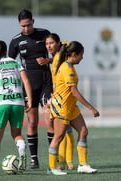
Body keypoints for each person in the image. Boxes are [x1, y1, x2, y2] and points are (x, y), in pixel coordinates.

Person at [0, 40, 32, 176]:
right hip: (18, 103)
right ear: (6, 51)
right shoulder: (15, 63)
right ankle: (22, 152)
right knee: (17, 134)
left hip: (1, 104)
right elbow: (26, 80)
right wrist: (29, 100)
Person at [8, 9, 52, 169]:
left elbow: (59, 53)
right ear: (19, 25)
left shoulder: (45, 34)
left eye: (28, 25)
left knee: (50, 121)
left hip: (47, 82)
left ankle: (53, 158)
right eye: (22, 26)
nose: (26, 29)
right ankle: (34, 160)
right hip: (28, 86)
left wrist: (48, 60)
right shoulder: (15, 41)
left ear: (33, 21)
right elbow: (10, 65)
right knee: (32, 122)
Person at [47, 41, 100, 175]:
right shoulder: (67, 68)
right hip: (62, 107)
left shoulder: (69, 66)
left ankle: (82, 165)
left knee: (83, 132)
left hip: (71, 107)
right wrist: (91, 108)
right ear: (74, 54)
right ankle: (52, 168)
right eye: (81, 55)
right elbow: (74, 92)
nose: (82, 57)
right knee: (58, 137)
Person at [45, 33, 75, 170]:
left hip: (62, 98)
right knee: (65, 133)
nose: (48, 46)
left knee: (63, 133)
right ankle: (65, 162)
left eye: (51, 43)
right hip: (62, 98)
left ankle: (64, 162)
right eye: (47, 44)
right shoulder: (58, 57)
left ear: (58, 44)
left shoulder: (59, 58)